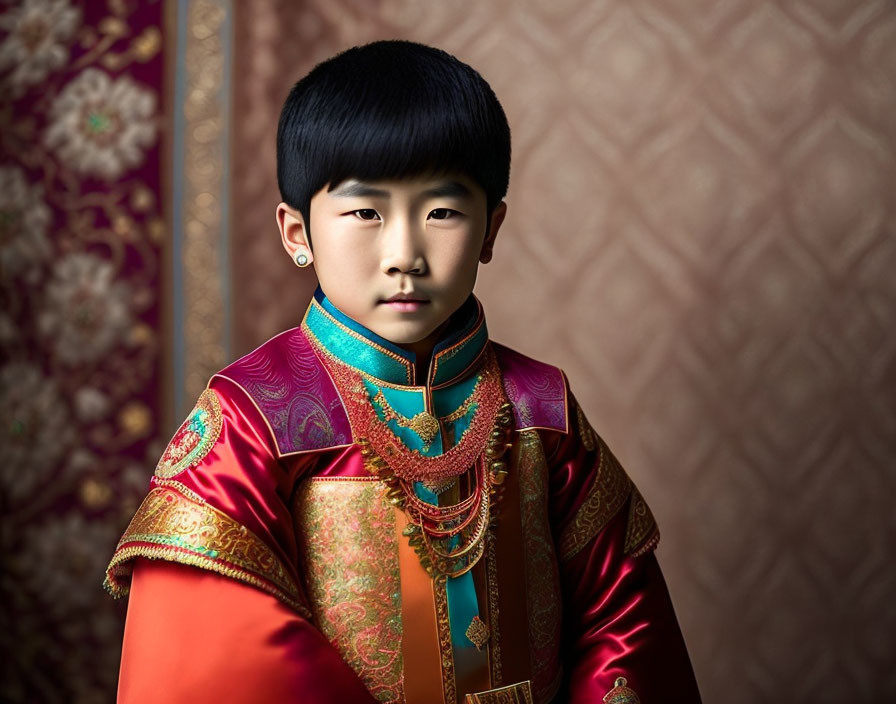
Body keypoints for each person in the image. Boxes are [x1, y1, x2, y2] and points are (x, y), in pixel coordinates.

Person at [105, 40, 702, 704]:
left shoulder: (544, 408)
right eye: (365, 212)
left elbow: (621, 622)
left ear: (491, 229)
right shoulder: (253, 415)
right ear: (297, 232)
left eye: (442, 212)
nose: (405, 255)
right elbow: (217, 647)